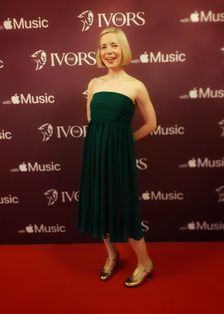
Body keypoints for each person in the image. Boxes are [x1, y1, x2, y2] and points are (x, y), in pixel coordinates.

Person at [78, 27, 157, 287]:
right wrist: (103, 142)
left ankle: (145, 262)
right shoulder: (93, 84)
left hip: (118, 159)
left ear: (122, 48)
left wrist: (124, 142)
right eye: (103, 47)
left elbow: (151, 124)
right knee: (100, 204)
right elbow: (92, 119)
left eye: (113, 45)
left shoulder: (136, 86)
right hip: (95, 156)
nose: (108, 51)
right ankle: (112, 255)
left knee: (126, 210)